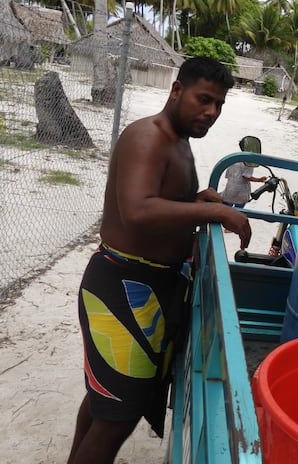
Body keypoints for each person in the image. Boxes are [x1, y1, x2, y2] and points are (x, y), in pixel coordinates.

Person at [67, 57, 252, 464]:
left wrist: (193, 200)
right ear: (176, 90)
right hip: (122, 288)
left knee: (106, 402)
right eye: (204, 99)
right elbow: (137, 209)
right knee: (118, 415)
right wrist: (214, 212)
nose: (211, 112)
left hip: (145, 288)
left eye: (219, 105)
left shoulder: (178, 139)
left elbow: (159, 197)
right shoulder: (148, 136)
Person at [221, 137, 268, 207]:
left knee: (226, 209)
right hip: (241, 191)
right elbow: (246, 177)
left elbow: (228, 175)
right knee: (239, 211)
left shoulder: (234, 158)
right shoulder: (249, 161)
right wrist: (259, 180)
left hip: (230, 188)